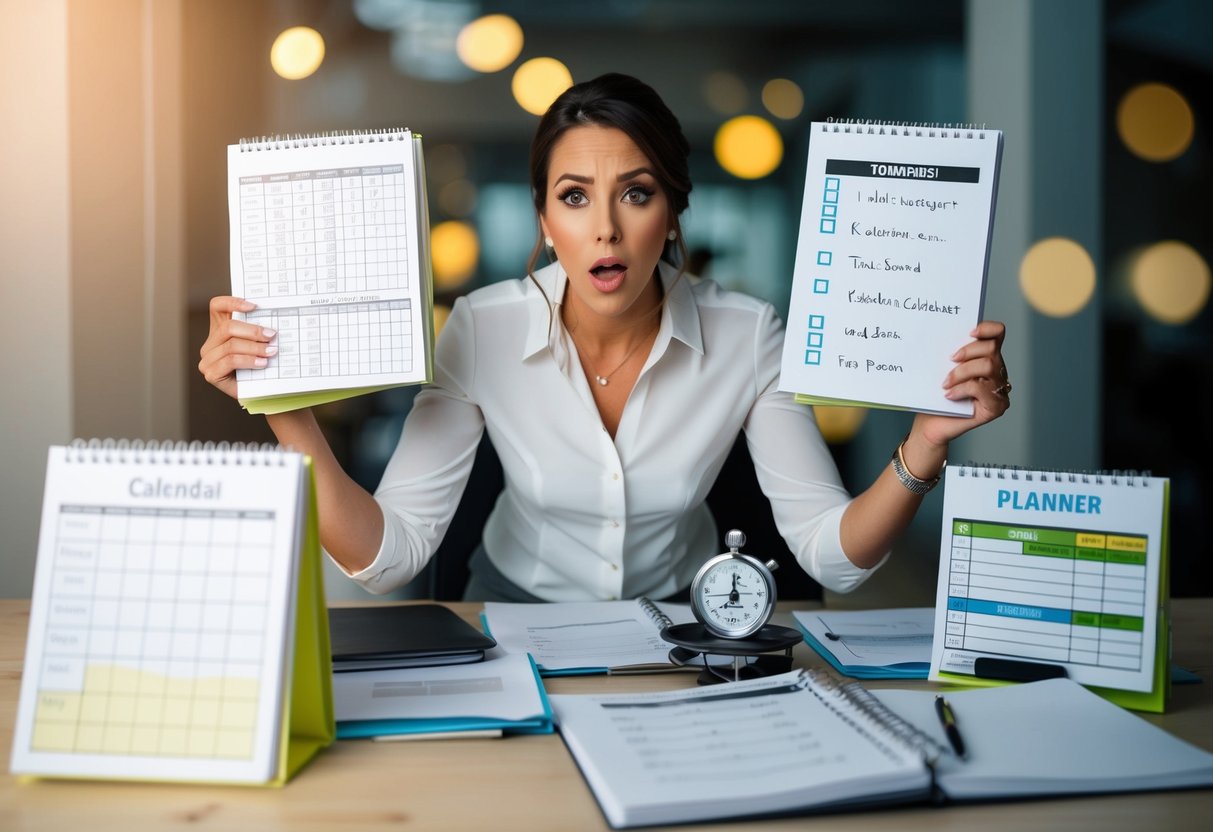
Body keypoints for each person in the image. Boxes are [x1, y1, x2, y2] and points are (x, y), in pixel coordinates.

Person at [199, 73, 1011, 603]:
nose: (606, 230)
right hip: (509, 615)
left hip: (684, 621)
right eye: (575, 197)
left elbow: (832, 558)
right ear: (544, 220)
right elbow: (386, 560)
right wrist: (284, 410)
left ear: (674, 211)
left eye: (636, 192)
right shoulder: (480, 327)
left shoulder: (749, 334)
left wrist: (925, 443)